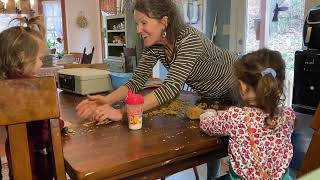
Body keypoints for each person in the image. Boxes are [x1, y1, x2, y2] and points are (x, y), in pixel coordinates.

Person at [76, 0, 238, 178]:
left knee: (233, 145)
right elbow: (136, 81)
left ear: (164, 22)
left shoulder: (189, 39)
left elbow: (170, 88)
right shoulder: (154, 46)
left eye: (144, 23)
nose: (138, 30)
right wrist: (107, 100)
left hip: (235, 86)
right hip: (210, 95)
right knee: (210, 132)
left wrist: (123, 113)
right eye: (137, 23)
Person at [200, 48, 295, 179]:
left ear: (243, 87)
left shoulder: (235, 117)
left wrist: (209, 113)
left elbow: (208, 126)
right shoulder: (288, 115)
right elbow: (261, 120)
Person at [0, 16, 67, 180]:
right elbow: (47, 123)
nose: (41, 63)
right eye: (38, 58)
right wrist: (61, 124)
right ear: (22, 57)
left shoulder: (6, 84)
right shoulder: (33, 88)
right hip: (37, 158)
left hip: (17, 156)